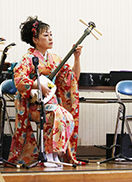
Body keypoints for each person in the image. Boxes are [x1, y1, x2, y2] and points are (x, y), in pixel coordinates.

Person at [8, 16, 84, 167]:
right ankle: (48, 154)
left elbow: (72, 78)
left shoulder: (55, 59)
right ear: (35, 39)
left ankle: (55, 154)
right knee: (57, 114)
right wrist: (38, 86)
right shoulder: (28, 58)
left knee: (67, 116)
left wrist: (76, 59)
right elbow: (19, 80)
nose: (50, 38)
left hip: (50, 103)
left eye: (51, 34)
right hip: (33, 105)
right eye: (45, 35)